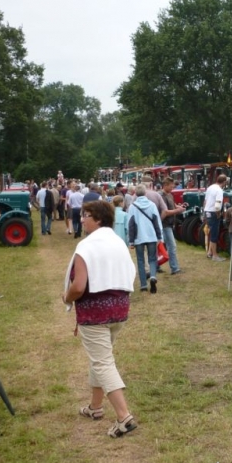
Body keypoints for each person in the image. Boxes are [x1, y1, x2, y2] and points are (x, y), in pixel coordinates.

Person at [62, 200, 138, 438]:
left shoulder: (87, 246)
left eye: (87, 215)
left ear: (99, 220)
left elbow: (78, 285)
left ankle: (124, 417)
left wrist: (66, 297)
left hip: (94, 314)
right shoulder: (118, 242)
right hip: (119, 311)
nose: (82, 219)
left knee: (103, 363)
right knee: (101, 359)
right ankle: (95, 407)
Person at [128, 185, 163, 293]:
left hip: (139, 237)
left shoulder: (132, 207)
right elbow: (156, 221)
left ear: (135, 194)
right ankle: (152, 276)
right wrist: (159, 236)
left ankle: (143, 284)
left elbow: (131, 224)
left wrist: (131, 240)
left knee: (140, 260)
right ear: (145, 193)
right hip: (151, 235)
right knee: (152, 258)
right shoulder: (152, 205)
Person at [160, 177, 186, 275]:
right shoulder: (162, 196)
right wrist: (177, 211)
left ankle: (157, 265)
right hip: (165, 224)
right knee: (172, 246)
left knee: (163, 246)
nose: (172, 188)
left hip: (170, 224)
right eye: (171, 186)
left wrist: (179, 207)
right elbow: (165, 212)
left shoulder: (170, 195)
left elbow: (173, 205)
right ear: (165, 185)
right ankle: (174, 268)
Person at [203, 174, 228, 261]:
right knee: (214, 234)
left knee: (211, 232)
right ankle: (215, 255)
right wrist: (218, 214)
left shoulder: (210, 187)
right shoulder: (219, 190)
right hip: (214, 213)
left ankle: (210, 252)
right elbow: (217, 205)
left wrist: (204, 213)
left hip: (207, 211)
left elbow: (205, 201)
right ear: (224, 182)